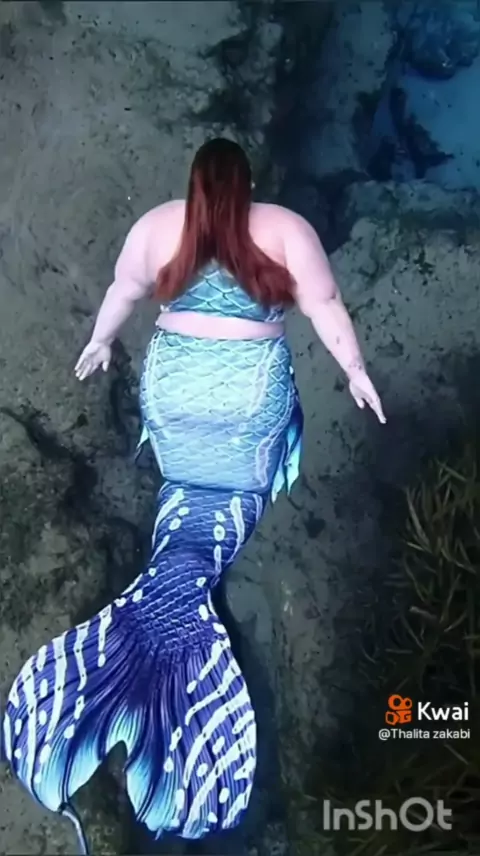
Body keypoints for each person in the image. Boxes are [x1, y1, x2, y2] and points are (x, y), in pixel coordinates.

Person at [3, 138, 385, 851]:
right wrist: (356, 371)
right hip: (247, 396)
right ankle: (176, 631)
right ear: (247, 185)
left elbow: (123, 291)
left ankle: (155, 636)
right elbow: (325, 304)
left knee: (183, 485)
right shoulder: (285, 228)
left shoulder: (157, 225)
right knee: (243, 483)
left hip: (175, 392)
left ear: (193, 184)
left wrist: (101, 343)